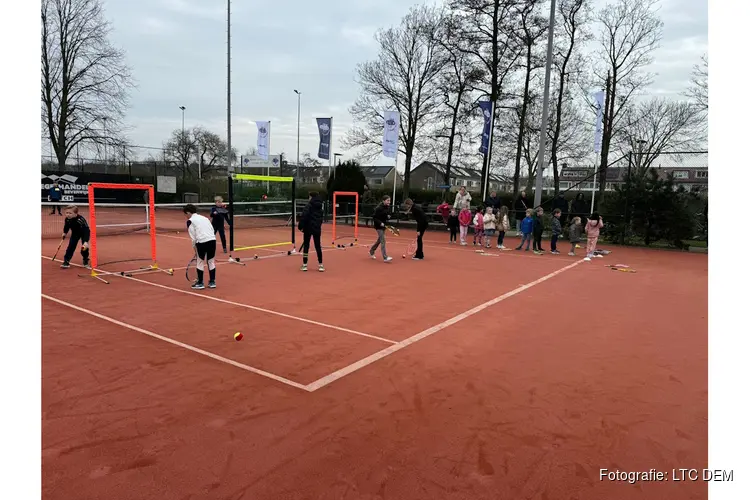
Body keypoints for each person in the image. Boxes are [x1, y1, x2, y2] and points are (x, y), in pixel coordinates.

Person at [183, 204, 217, 289]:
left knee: (200, 261)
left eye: (185, 214)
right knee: (211, 261)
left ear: (188, 212)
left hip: (202, 242)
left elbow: (193, 238)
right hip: (212, 240)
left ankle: (200, 283)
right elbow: (212, 230)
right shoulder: (205, 218)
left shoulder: (190, 221)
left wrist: (195, 249)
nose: (185, 216)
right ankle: (212, 282)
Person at [298, 191, 324, 272]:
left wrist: (300, 227)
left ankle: (305, 265)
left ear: (311, 197)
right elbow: (321, 218)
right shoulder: (320, 206)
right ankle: (321, 265)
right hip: (316, 228)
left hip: (308, 228)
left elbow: (304, 216)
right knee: (318, 246)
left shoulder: (308, 206)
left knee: (306, 246)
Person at [369, 195, 393, 262]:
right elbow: (374, 218)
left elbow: (386, 215)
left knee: (379, 240)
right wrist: (380, 223)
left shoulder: (387, 207)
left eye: (389, 200)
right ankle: (385, 257)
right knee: (383, 241)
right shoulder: (379, 208)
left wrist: (388, 217)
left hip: (384, 226)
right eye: (387, 200)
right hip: (378, 226)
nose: (389, 202)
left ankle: (371, 251)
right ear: (383, 201)